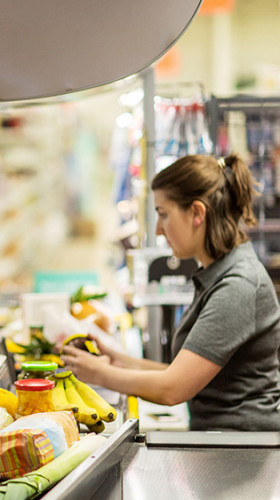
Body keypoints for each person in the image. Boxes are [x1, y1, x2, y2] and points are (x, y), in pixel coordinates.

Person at [63, 154, 280, 431]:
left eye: (163, 214)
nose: (158, 229)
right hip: (227, 440)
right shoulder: (221, 273)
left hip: (242, 448)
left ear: (197, 213)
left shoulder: (238, 285)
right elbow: (182, 374)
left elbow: (173, 389)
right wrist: (119, 361)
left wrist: (101, 374)